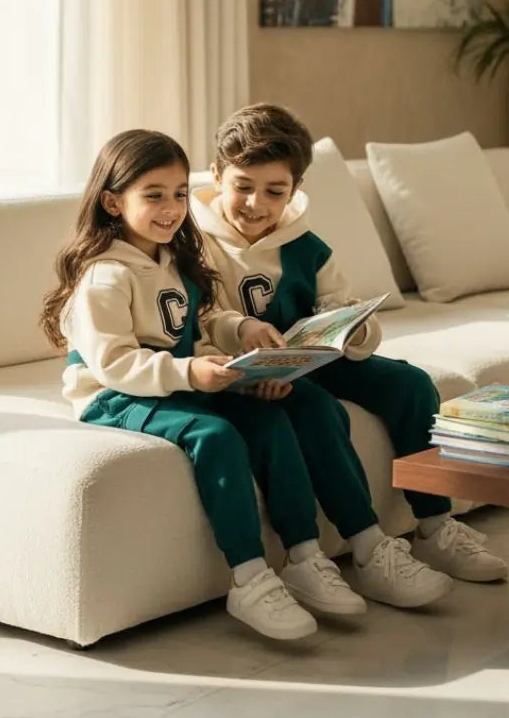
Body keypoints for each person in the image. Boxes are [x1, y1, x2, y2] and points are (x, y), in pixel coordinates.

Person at [41, 129, 430, 642]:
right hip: (115, 398)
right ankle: (249, 578)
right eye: (153, 195)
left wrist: (235, 349)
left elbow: (199, 326)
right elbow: (115, 364)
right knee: (216, 437)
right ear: (113, 202)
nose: (171, 208)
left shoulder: (171, 261)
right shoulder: (106, 275)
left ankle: (305, 555)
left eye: (179, 193)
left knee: (271, 419)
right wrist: (191, 373)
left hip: (174, 384)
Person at [191, 104, 509, 585]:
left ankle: (435, 525)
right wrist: (243, 343)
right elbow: (199, 317)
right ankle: (367, 546)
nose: (256, 204)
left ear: (295, 189)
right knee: (317, 410)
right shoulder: (195, 244)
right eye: (243, 187)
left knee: (411, 384)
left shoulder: (307, 244)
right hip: (247, 374)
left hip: (313, 356)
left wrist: (355, 328)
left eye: (275, 191)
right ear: (217, 175)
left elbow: (340, 305)